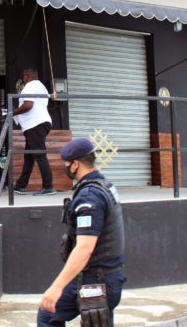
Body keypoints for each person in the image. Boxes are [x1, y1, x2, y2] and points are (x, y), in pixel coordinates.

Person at [38, 138, 125, 327]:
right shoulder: (104, 184)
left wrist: (56, 288)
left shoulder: (89, 196)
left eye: (66, 164)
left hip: (95, 280)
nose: (65, 167)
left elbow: (85, 248)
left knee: (48, 312)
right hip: (109, 276)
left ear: (75, 164)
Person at [13, 67, 55, 196]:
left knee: (40, 155)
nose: (23, 79)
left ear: (27, 76)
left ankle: (48, 187)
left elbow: (28, 105)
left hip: (34, 124)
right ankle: (20, 185)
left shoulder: (30, 86)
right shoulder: (41, 87)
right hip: (41, 123)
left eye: (23, 76)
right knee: (29, 156)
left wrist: (12, 112)